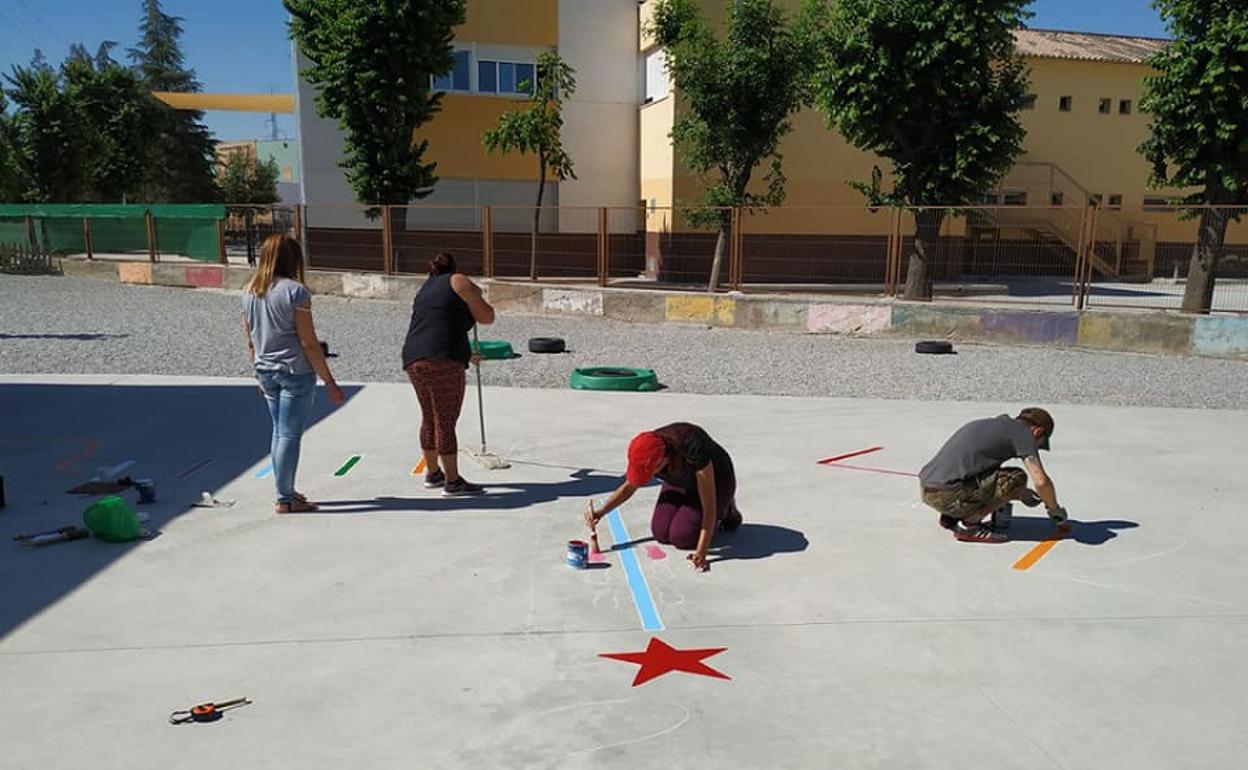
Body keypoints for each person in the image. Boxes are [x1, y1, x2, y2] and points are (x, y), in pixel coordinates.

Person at [241, 234, 344, 514]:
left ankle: (284, 491)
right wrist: (330, 382)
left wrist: (256, 373)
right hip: (294, 371)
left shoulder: (250, 290)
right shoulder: (296, 292)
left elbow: (251, 338)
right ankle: (285, 497)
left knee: (278, 432)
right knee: (289, 434)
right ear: (293, 259)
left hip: (265, 369)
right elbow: (308, 342)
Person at [585, 423, 742, 572]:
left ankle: (727, 509)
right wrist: (601, 512)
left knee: (682, 537)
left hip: (716, 482)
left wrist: (701, 552)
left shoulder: (693, 444)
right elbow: (629, 487)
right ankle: (694, 505)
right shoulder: (648, 448)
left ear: (662, 461)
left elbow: (709, 506)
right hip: (680, 480)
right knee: (661, 532)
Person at [402, 252, 496, 497]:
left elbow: (440, 324)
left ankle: (433, 473)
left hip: (414, 358)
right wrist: (477, 293)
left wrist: (465, 356)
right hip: (441, 360)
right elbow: (487, 317)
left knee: (429, 417)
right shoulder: (458, 281)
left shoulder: (426, 288)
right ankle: (452, 482)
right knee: (445, 421)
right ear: (454, 267)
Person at [919, 407, 1068, 543]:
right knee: (1015, 478)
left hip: (929, 491)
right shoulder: (1023, 434)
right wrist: (1054, 509)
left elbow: (983, 472)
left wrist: (1021, 494)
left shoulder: (995, 426)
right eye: (1039, 444)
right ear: (1038, 431)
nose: (1036, 447)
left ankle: (950, 517)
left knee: (999, 477)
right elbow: (1041, 482)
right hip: (948, 495)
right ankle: (970, 526)